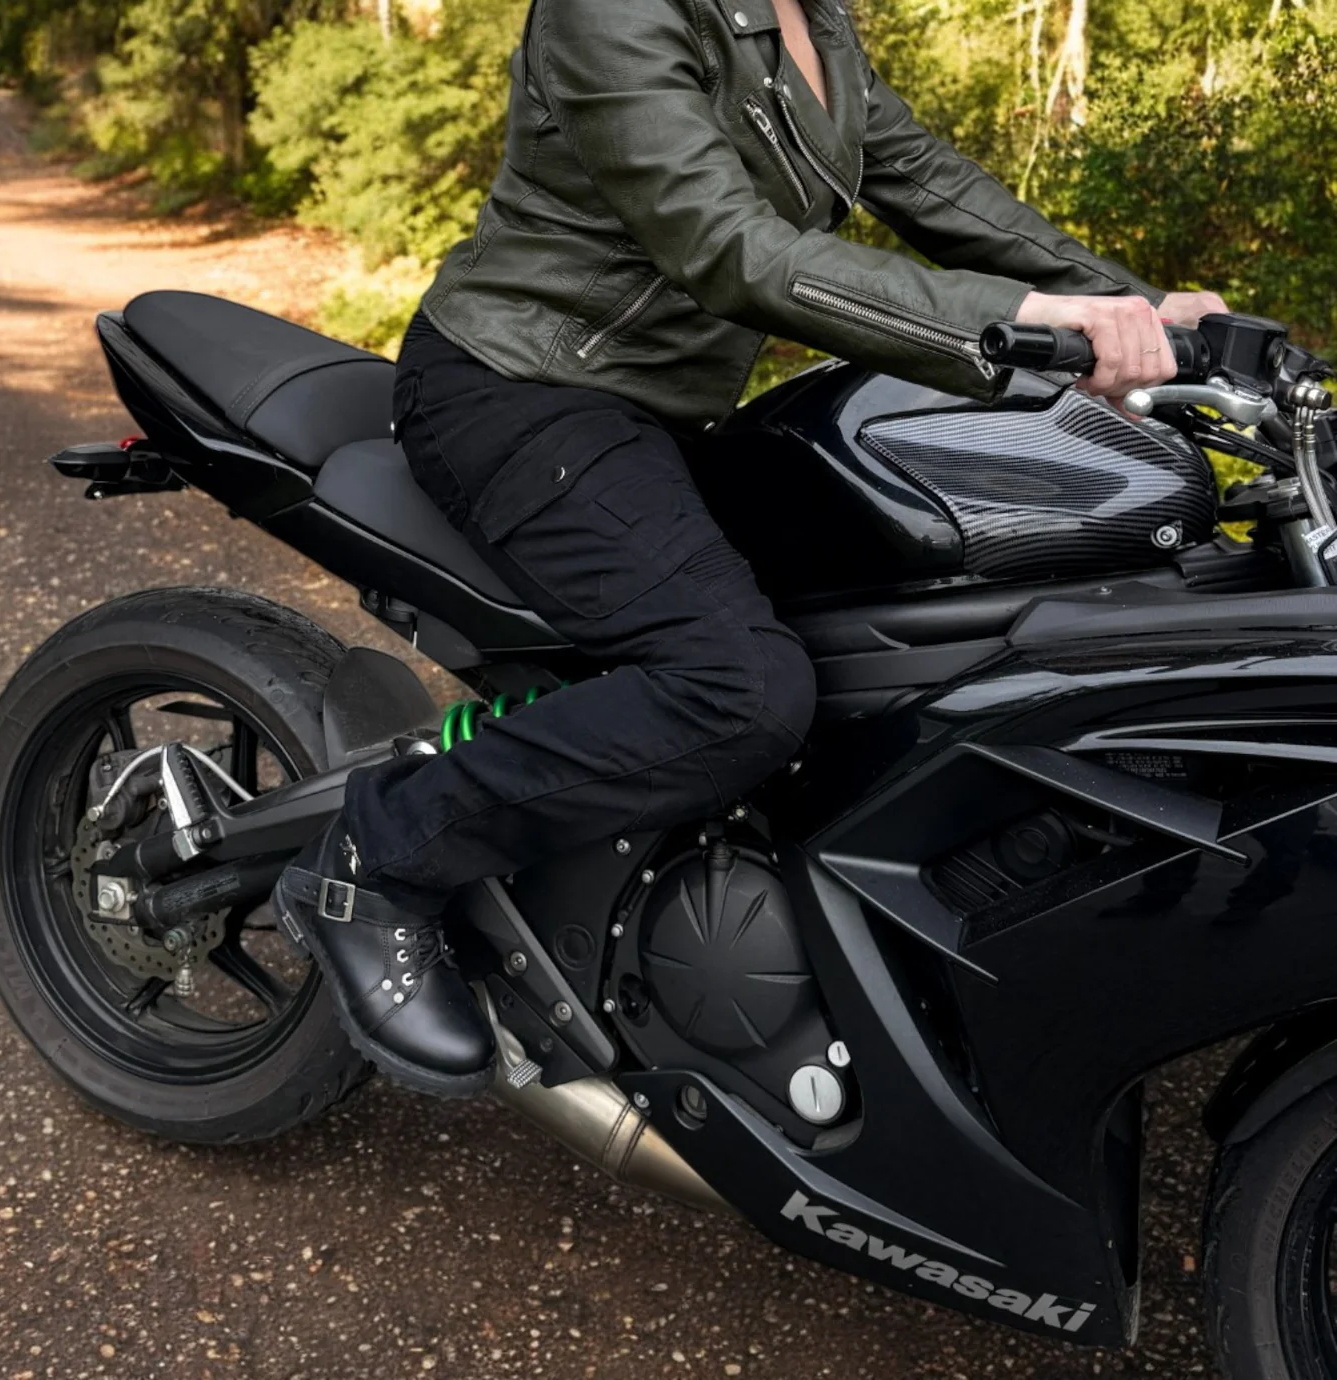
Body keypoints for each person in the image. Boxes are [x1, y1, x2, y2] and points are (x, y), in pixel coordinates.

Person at [274, 0, 1229, 1095]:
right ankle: (377, 858)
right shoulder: (614, 10)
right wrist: (1022, 318)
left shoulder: (813, 16)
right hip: (524, 390)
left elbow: (926, 180)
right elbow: (727, 247)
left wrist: (1137, 311)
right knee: (740, 688)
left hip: (664, 410)